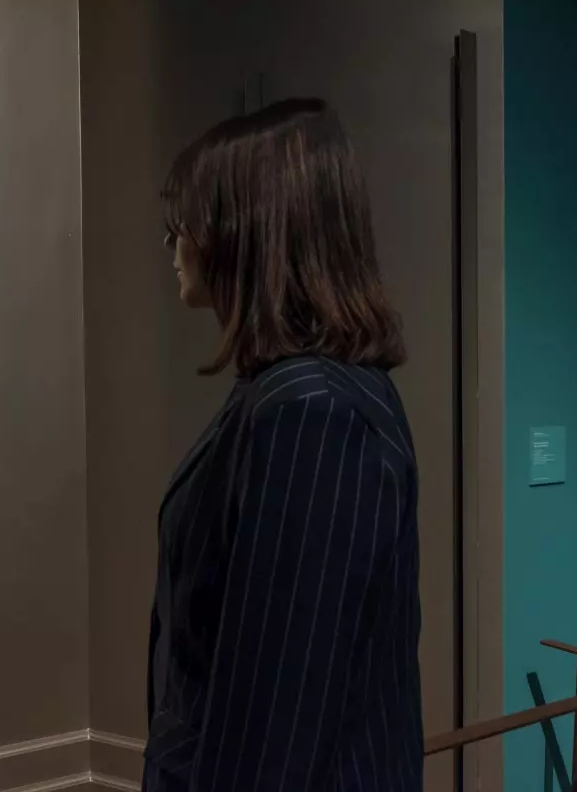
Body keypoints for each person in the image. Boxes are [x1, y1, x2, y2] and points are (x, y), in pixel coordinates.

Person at [143, 98, 423, 792]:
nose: (173, 246)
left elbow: (274, 726)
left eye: (185, 223)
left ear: (247, 231)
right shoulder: (301, 392)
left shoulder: (313, 409)